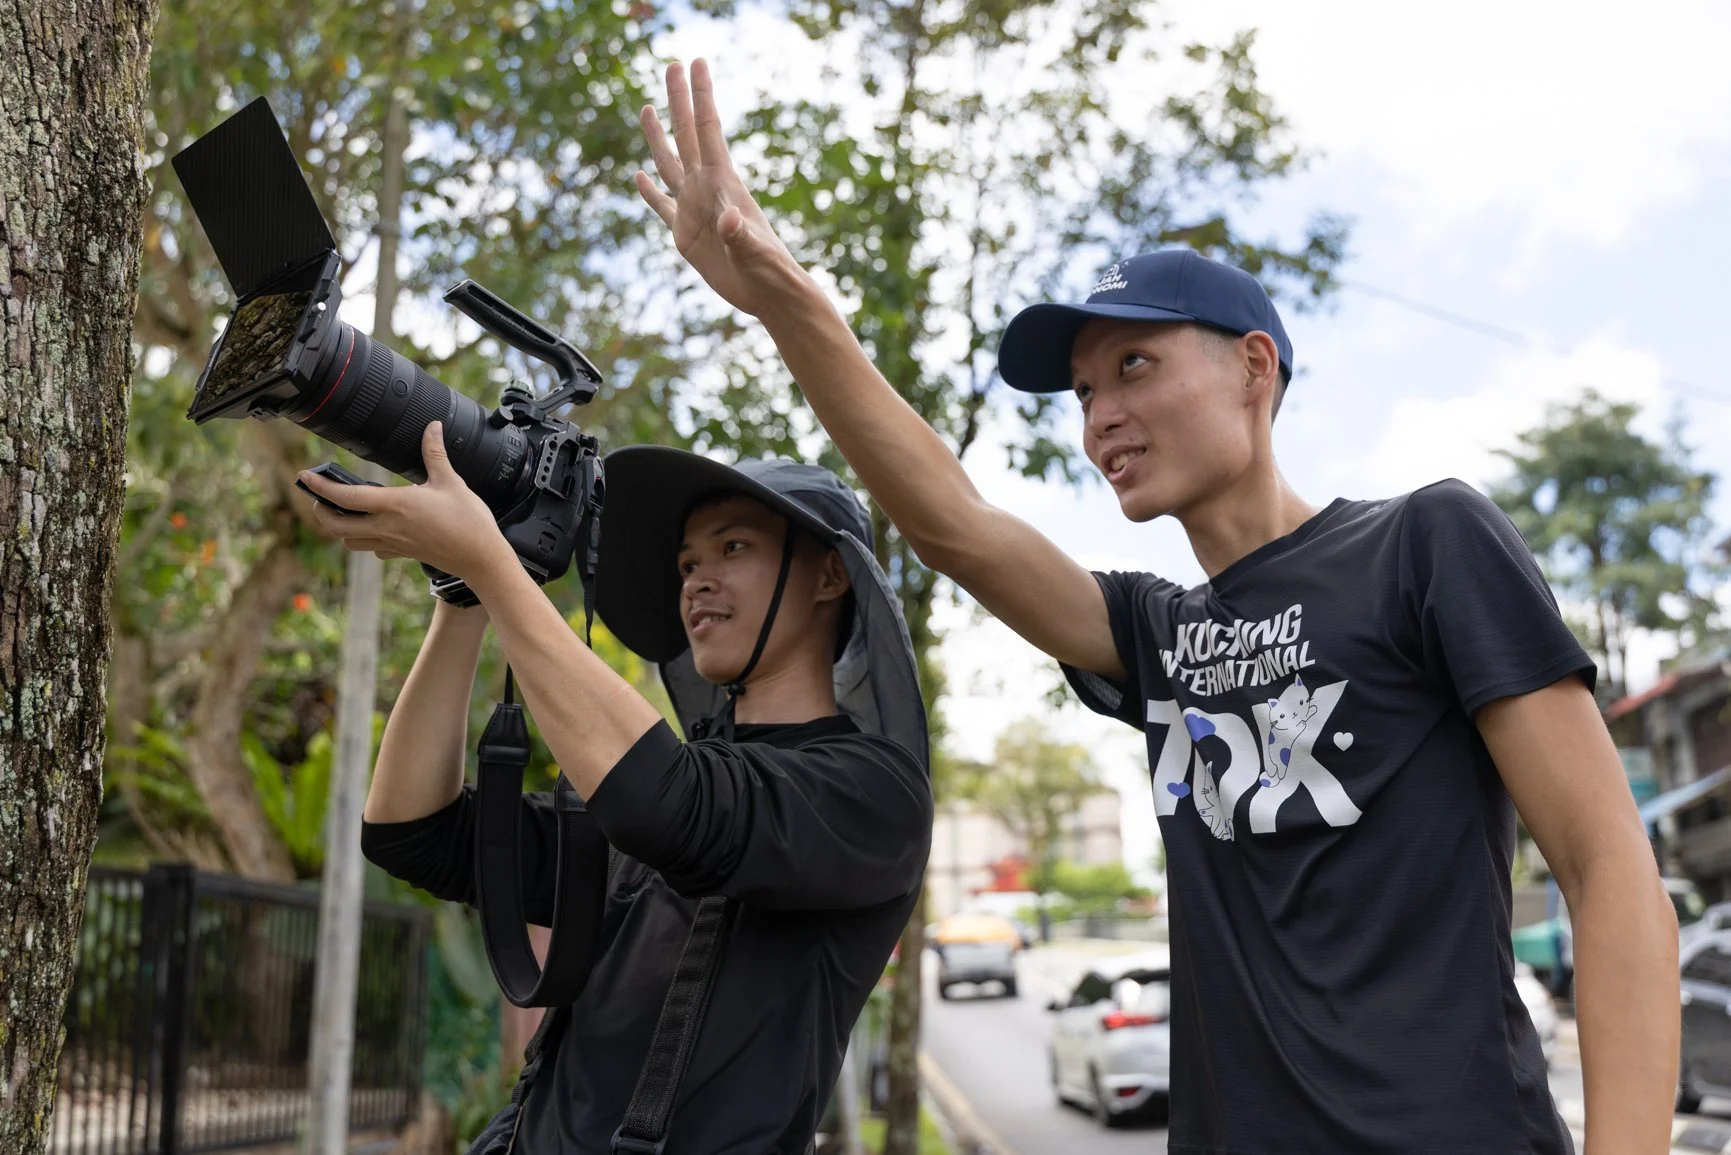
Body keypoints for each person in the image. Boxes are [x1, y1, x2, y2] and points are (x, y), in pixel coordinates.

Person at [630, 58, 1680, 1154]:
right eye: (1086, 391)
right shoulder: (1158, 633)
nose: (1100, 417)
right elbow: (955, 525)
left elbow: (1607, 869)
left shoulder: (1424, 544)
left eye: (1134, 365)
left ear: (1254, 369)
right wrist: (787, 301)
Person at [299, 435, 932, 1154]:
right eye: (687, 564)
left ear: (829, 576)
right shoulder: (669, 787)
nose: (696, 582)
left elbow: (671, 806)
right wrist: (462, 596)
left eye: (732, 548)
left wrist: (492, 564)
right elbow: (414, 833)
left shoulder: (876, 793)